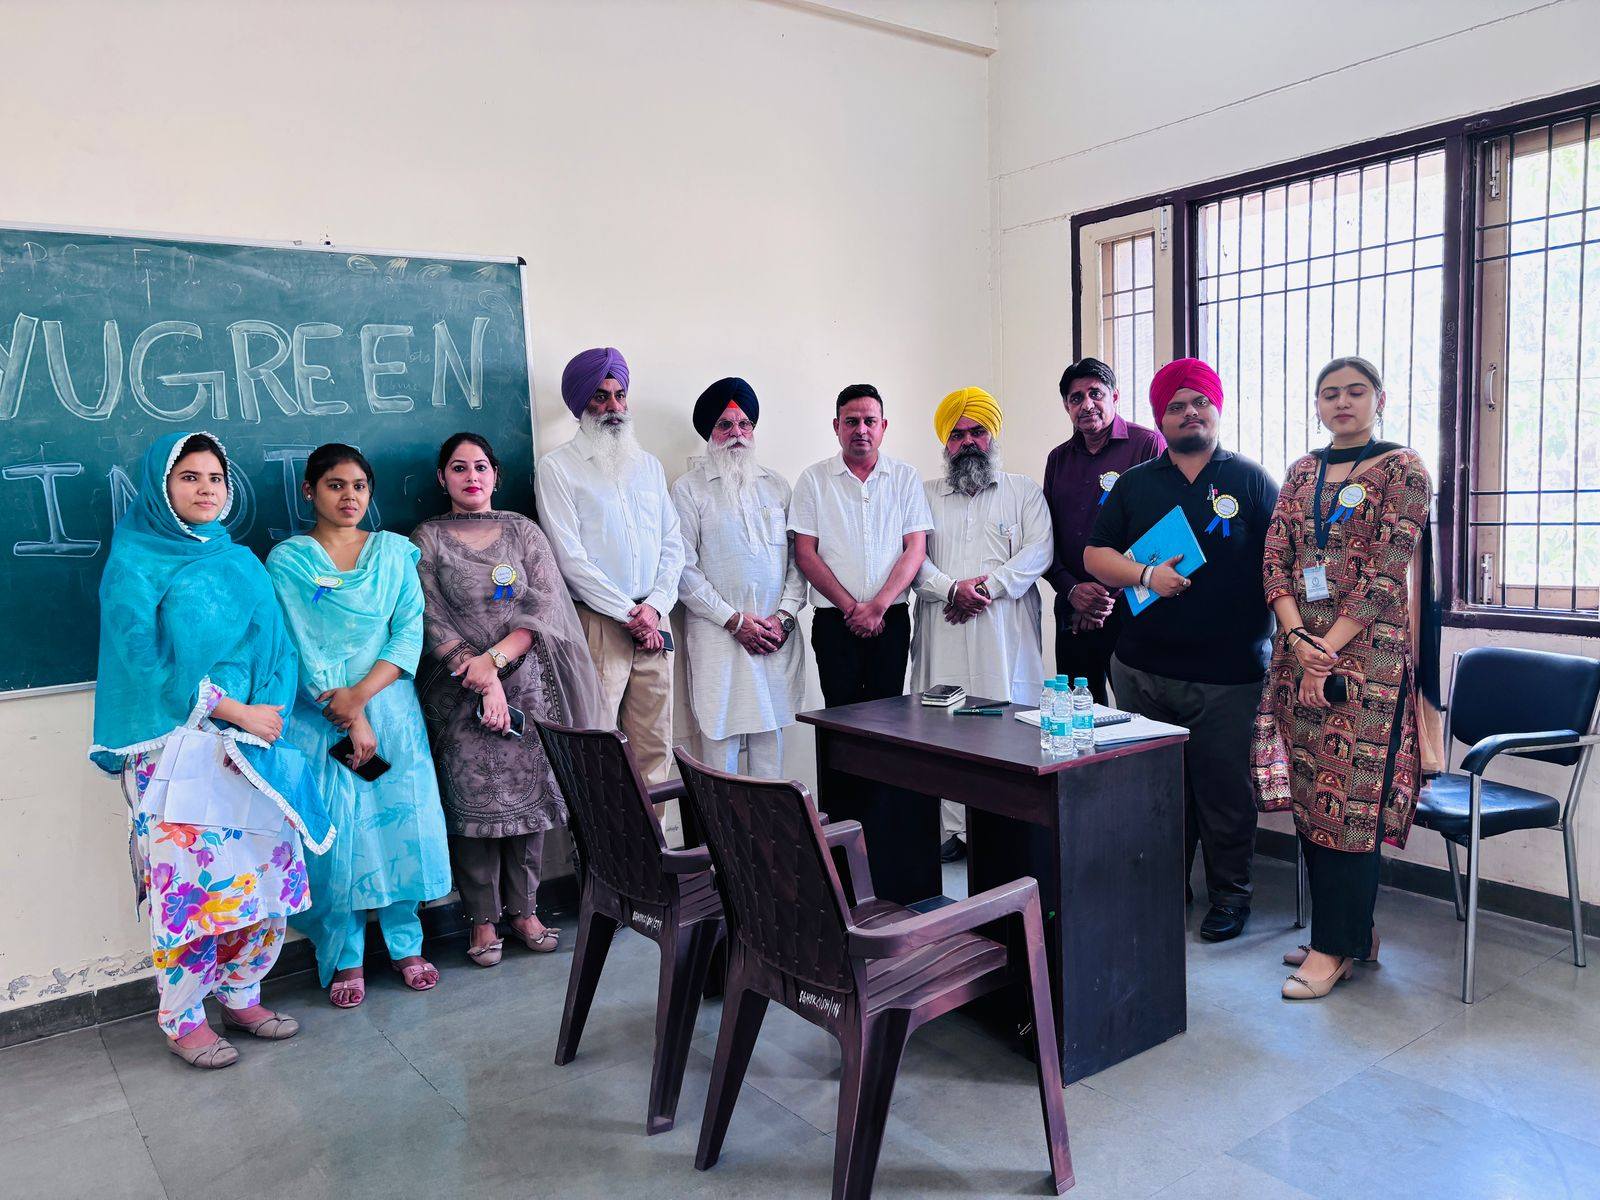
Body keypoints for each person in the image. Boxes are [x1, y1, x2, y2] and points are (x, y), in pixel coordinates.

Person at [90, 431, 332, 1069]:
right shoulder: (134, 563)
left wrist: (260, 723)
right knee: (194, 893)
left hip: (251, 749)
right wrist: (231, 712)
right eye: (189, 477)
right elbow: (143, 663)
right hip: (174, 749)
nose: (205, 489)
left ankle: (242, 994)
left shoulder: (242, 561)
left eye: (215, 478)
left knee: (260, 882)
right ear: (161, 488)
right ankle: (184, 1016)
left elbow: (278, 650)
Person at [1251, 357, 1435, 999]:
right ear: (1317, 406)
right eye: (1330, 394)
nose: (1343, 403)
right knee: (1312, 795)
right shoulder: (1303, 471)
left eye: (1356, 392)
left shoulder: (1404, 468)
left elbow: (1387, 573)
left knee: (1350, 802)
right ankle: (1353, 934)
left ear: (1379, 399)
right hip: (1299, 649)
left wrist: (1324, 649)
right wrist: (1298, 639)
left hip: (1367, 663)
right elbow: (1275, 558)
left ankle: (1333, 949)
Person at [1083, 359, 1279, 943]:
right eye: (1175, 406)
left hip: (1229, 675)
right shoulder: (1136, 483)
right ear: (1160, 419)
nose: (1189, 413)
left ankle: (1231, 896)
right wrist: (1145, 575)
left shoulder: (1251, 481)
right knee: (1154, 792)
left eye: (1200, 402)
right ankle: (1165, 886)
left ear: (1216, 410)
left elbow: (1283, 564)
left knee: (1223, 791)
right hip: (1143, 670)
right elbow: (1096, 555)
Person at [266, 444, 452, 1007]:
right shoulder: (290, 561)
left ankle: (406, 944)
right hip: (322, 717)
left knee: (402, 825)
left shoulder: (395, 553)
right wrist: (347, 713)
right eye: (335, 485)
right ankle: (344, 953)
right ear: (309, 491)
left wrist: (363, 699)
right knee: (340, 834)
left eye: (359, 486)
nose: (349, 497)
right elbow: (301, 643)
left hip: (392, 710)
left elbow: (408, 632)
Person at [413, 432, 605, 967]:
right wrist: (480, 675)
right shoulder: (427, 538)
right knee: (470, 805)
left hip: (527, 687)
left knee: (529, 800)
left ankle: (525, 912)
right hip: (456, 691)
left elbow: (543, 607)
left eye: (480, 466)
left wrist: (494, 664)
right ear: (442, 478)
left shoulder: (524, 531)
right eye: (458, 468)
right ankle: (481, 920)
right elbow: (428, 615)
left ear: (496, 474)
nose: (471, 477)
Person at [910, 387, 1052, 861]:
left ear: (993, 436)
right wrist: (950, 589)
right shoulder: (924, 494)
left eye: (977, 432)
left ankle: (1005, 826)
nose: (968, 441)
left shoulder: (1022, 490)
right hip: (943, 624)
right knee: (945, 725)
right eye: (957, 435)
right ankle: (952, 828)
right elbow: (911, 557)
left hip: (1004, 629)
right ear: (945, 443)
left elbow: (1039, 551)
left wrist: (984, 589)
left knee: (1006, 720)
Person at [536, 347, 684, 785]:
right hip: (600, 625)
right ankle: (605, 835)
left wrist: (654, 608)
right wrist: (630, 614)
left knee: (655, 751)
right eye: (600, 397)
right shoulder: (557, 468)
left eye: (620, 396)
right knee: (599, 749)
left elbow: (672, 543)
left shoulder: (649, 466)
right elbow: (569, 559)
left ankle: (652, 834)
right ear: (581, 404)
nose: (613, 407)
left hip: (655, 622)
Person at [671, 377, 807, 778]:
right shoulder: (688, 490)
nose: (737, 434)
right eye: (725, 425)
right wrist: (734, 621)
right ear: (709, 433)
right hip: (719, 639)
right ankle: (723, 823)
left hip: (774, 637)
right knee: (720, 749)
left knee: (769, 744)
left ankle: (771, 822)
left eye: (745, 424)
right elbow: (683, 569)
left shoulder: (776, 486)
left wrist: (783, 618)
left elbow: (798, 563)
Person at [790, 383, 932, 708]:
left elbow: (915, 549)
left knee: (889, 719)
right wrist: (852, 610)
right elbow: (805, 553)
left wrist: (878, 607)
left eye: (870, 421)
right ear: (836, 426)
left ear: (884, 426)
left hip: (891, 618)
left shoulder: (905, 477)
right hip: (834, 621)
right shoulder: (813, 479)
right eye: (851, 421)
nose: (861, 430)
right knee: (839, 718)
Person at [1043, 357, 1166, 704]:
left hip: (1131, 604)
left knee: (1137, 712)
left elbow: (1157, 530)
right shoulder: (1058, 459)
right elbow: (1045, 535)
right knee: (1078, 708)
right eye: (1076, 398)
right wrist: (1072, 591)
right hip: (1072, 608)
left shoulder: (1147, 445)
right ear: (1067, 407)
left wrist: (1103, 597)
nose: (1086, 404)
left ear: (1114, 396)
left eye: (1095, 393)